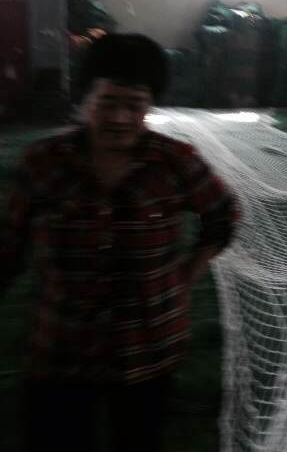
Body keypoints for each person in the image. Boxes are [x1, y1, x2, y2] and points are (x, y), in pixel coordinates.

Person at [2, 34, 239, 452]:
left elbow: (223, 214)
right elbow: (8, 248)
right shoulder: (43, 163)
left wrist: (186, 277)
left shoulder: (175, 162)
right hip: (61, 350)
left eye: (135, 105)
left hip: (147, 351)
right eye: (108, 102)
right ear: (85, 99)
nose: (120, 117)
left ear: (150, 106)